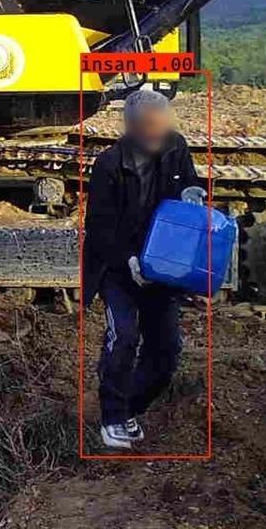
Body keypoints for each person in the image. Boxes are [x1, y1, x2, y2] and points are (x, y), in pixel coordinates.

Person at [83, 90, 206, 450]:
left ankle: (129, 407)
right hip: (118, 267)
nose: (157, 134)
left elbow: (190, 180)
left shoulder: (175, 147)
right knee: (123, 336)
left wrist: (194, 193)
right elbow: (99, 227)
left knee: (165, 352)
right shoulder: (109, 164)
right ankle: (112, 417)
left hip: (164, 265)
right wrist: (128, 260)